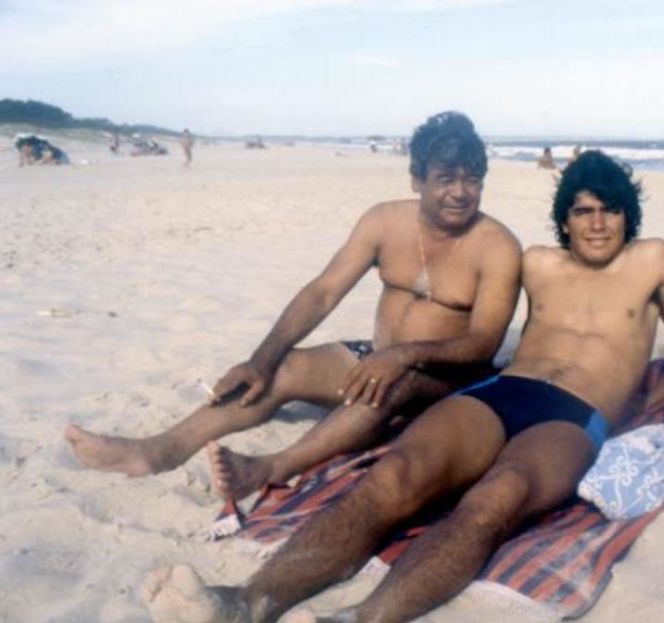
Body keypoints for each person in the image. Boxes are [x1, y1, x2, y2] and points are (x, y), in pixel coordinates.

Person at [139, 150, 664, 623]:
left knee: (497, 496)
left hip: (572, 414)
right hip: (504, 391)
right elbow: (477, 331)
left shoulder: (654, 260)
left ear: (627, 214)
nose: (597, 223)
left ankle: (361, 618)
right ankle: (246, 601)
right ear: (565, 218)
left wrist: (646, 405)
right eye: (583, 211)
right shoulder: (537, 263)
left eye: (610, 210)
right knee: (395, 475)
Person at [65, 111, 522, 502]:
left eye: (472, 179)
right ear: (417, 179)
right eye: (446, 179)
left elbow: (482, 345)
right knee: (282, 369)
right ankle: (158, 450)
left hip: (444, 381)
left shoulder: (497, 247)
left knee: (387, 386)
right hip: (377, 359)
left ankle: (273, 467)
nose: (461, 192)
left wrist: (402, 356)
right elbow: (323, 292)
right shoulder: (385, 220)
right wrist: (261, 358)